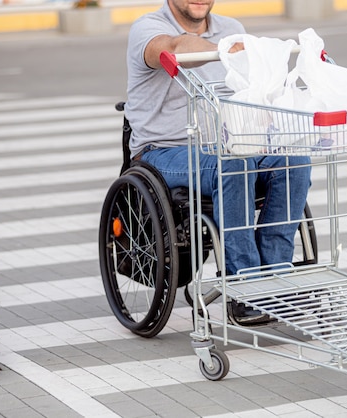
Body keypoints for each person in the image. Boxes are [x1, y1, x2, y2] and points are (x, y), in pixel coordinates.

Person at [125, 0, 312, 324]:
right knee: (235, 162)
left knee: (293, 159)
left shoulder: (232, 29)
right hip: (163, 150)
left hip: (226, 141)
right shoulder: (149, 28)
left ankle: (276, 274)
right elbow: (173, 46)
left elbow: (247, 95)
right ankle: (246, 284)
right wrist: (224, 49)